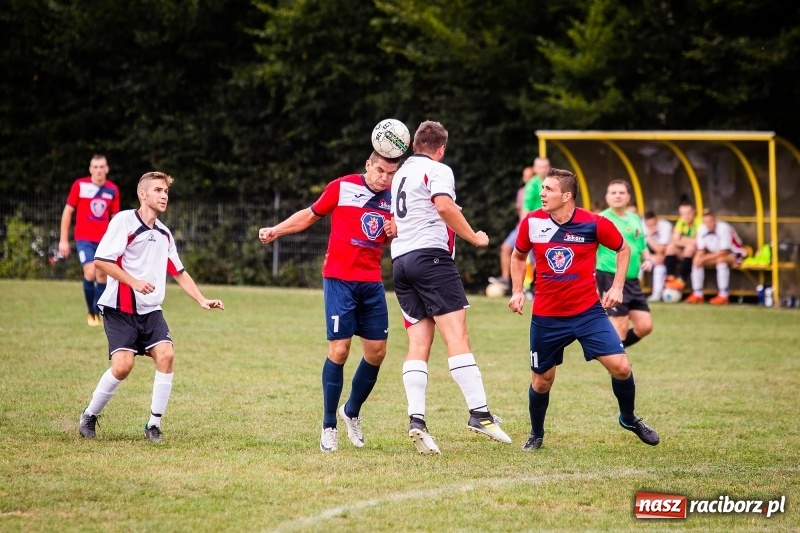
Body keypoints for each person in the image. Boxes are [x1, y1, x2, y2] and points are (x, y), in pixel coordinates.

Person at [508, 168, 659, 451]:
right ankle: (536, 434)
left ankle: (628, 418)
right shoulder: (532, 223)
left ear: (566, 196)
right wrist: (517, 290)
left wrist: (617, 287)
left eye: (548, 189)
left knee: (621, 367)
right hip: (546, 317)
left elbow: (623, 249)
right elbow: (518, 256)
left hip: (587, 312)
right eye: (542, 188)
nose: (541, 194)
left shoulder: (594, 223)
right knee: (542, 382)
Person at [259, 152, 399, 453]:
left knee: (377, 353)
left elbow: (385, 236)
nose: (384, 178)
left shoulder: (393, 198)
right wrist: (276, 230)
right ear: (367, 165)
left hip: (372, 282)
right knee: (340, 349)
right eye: (379, 171)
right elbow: (309, 215)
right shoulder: (343, 187)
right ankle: (328, 426)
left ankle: (351, 411)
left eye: (390, 173)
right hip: (339, 279)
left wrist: (394, 233)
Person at [390, 120, 511, 455]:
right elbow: (443, 205)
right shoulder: (438, 169)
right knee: (457, 336)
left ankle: (416, 419)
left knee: (418, 341)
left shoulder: (400, 173)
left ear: (415, 144)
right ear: (440, 148)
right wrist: (474, 237)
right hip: (431, 258)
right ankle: (480, 414)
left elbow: (401, 220)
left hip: (401, 262)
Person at [78, 171, 224, 443]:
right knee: (122, 366)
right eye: (158, 190)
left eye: (166, 191)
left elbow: (179, 272)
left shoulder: (164, 234)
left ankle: (153, 425)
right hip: (119, 310)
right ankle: (89, 415)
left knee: (166, 355)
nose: (164, 195)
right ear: (142, 195)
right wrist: (133, 281)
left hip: (150, 311)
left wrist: (202, 299)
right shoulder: (124, 221)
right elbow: (101, 260)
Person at [59, 155, 121, 326]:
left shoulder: (113, 190)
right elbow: (67, 212)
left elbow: (116, 219)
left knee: (102, 274)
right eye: (95, 167)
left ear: (107, 169)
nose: (99, 170)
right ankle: (92, 312)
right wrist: (63, 240)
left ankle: (97, 311)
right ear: (90, 169)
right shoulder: (80, 185)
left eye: (102, 167)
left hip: (104, 241)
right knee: (91, 272)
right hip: (84, 239)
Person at [596, 180, 654, 348]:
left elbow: (641, 245)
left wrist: (647, 259)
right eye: (613, 193)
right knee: (620, 325)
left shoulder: (635, 218)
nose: (617, 196)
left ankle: (609, 352)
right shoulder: (602, 219)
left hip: (632, 280)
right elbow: (591, 248)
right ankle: (618, 368)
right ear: (607, 197)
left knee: (645, 326)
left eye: (621, 193)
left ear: (628, 197)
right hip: (610, 277)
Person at [684, 208, 746, 305]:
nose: (708, 225)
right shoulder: (702, 229)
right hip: (715, 255)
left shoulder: (724, 228)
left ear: (715, 220)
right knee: (696, 261)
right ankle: (697, 294)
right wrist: (699, 258)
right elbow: (701, 249)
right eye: (706, 222)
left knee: (720, 260)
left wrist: (704, 258)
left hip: (736, 253)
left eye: (710, 222)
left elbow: (724, 251)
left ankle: (723, 295)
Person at [488, 166, 533, 292]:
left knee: (532, 259)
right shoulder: (521, 192)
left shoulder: (540, 190)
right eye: (526, 176)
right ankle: (505, 279)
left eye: (530, 176)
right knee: (506, 248)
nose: (528, 179)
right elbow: (521, 212)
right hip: (521, 228)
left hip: (534, 229)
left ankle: (527, 287)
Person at [663, 200, 701, 291]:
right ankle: (670, 277)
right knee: (670, 247)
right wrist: (688, 241)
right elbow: (674, 239)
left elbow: (697, 242)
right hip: (684, 253)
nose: (686, 216)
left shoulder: (699, 221)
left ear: (693, 212)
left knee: (689, 248)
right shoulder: (681, 221)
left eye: (688, 213)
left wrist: (682, 239)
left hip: (697, 254)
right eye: (683, 214)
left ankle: (681, 279)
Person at [643, 211, 673, 302]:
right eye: (649, 225)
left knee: (660, 267)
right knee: (636, 266)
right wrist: (649, 257)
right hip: (646, 256)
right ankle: (631, 294)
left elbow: (661, 250)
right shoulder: (640, 226)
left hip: (661, 258)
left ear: (657, 219)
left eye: (653, 224)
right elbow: (637, 249)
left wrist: (649, 237)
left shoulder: (665, 226)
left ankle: (657, 295)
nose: (651, 227)